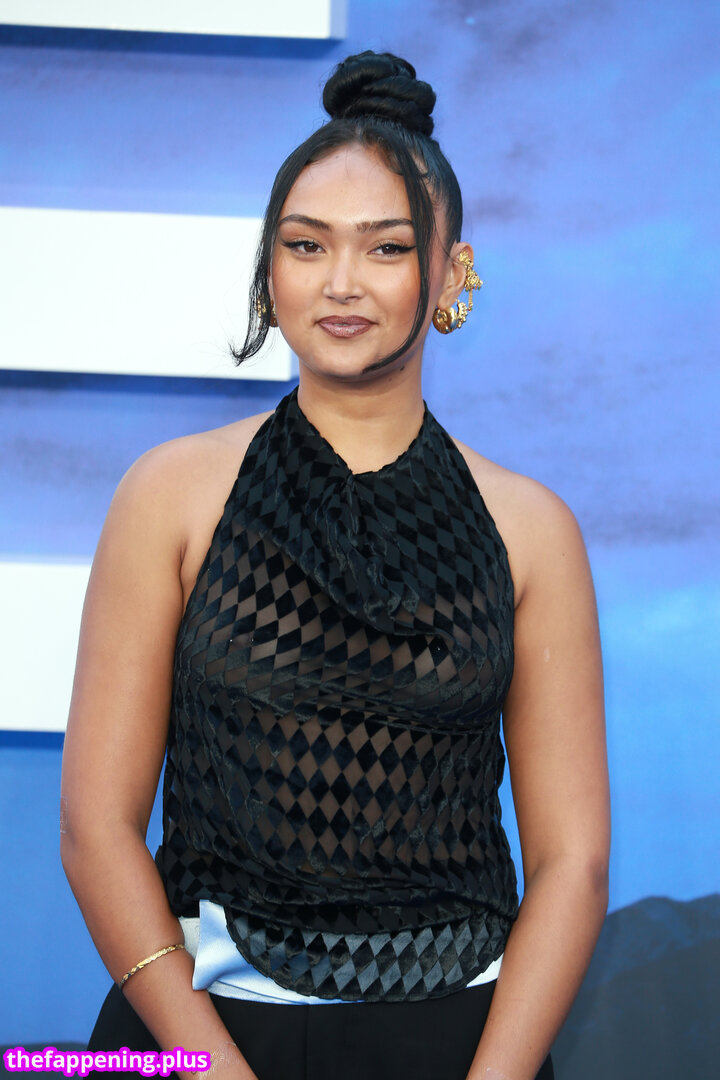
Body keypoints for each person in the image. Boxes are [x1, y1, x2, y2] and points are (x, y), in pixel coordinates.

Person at [60, 51, 610, 1080]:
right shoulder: (169, 496)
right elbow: (97, 828)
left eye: (386, 247)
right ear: (269, 269)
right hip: (203, 1032)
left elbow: (570, 863)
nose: (341, 282)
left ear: (450, 272)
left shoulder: (531, 530)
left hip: (458, 1042)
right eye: (305, 244)